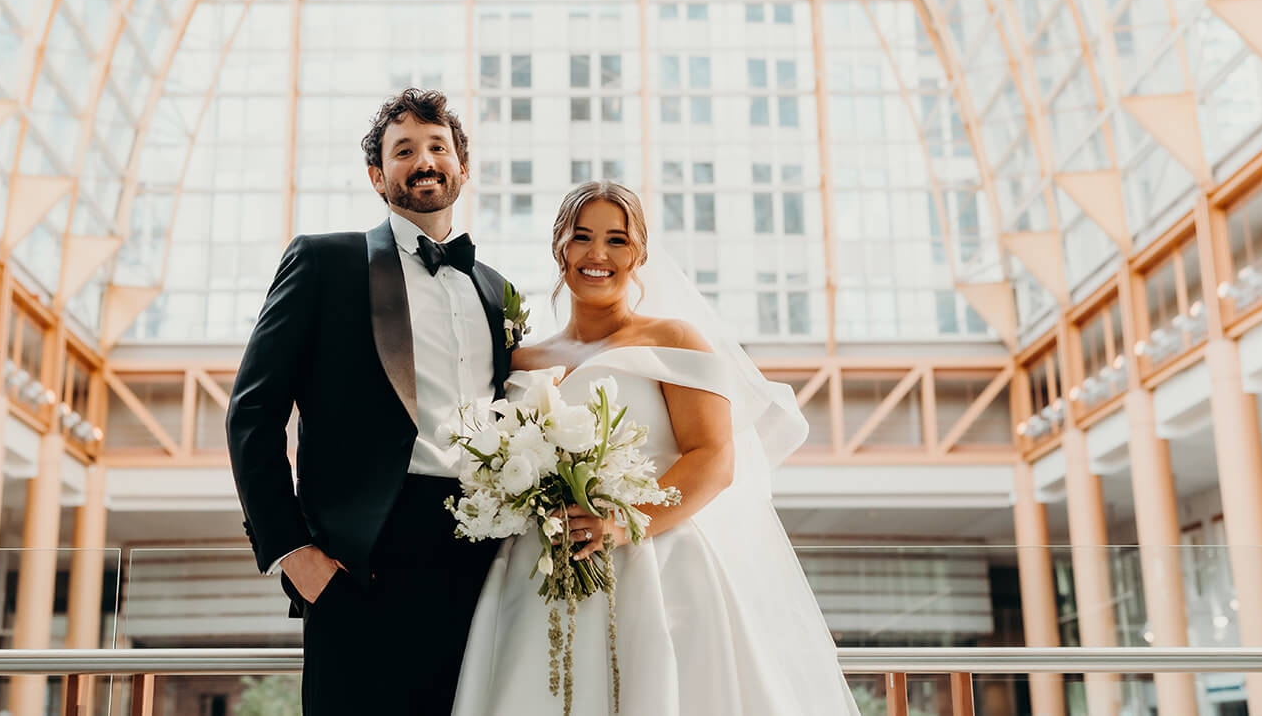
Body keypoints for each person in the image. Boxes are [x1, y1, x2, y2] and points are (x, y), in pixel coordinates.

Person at [452, 181, 862, 715]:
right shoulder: (523, 360)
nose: (598, 255)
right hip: (539, 572)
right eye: (582, 237)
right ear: (560, 248)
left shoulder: (674, 339)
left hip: (659, 568)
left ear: (639, 254)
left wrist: (623, 525)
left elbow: (714, 459)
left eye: (617, 241)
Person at [225, 89, 517, 716]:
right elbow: (253, 413)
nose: (425, 161)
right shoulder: (325, 262)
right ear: (378, 176)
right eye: (404, 150)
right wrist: (293, 553)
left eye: (439, 147)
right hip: (362, 562)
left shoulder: (497, 290)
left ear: (462, 166)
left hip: (481, 556)